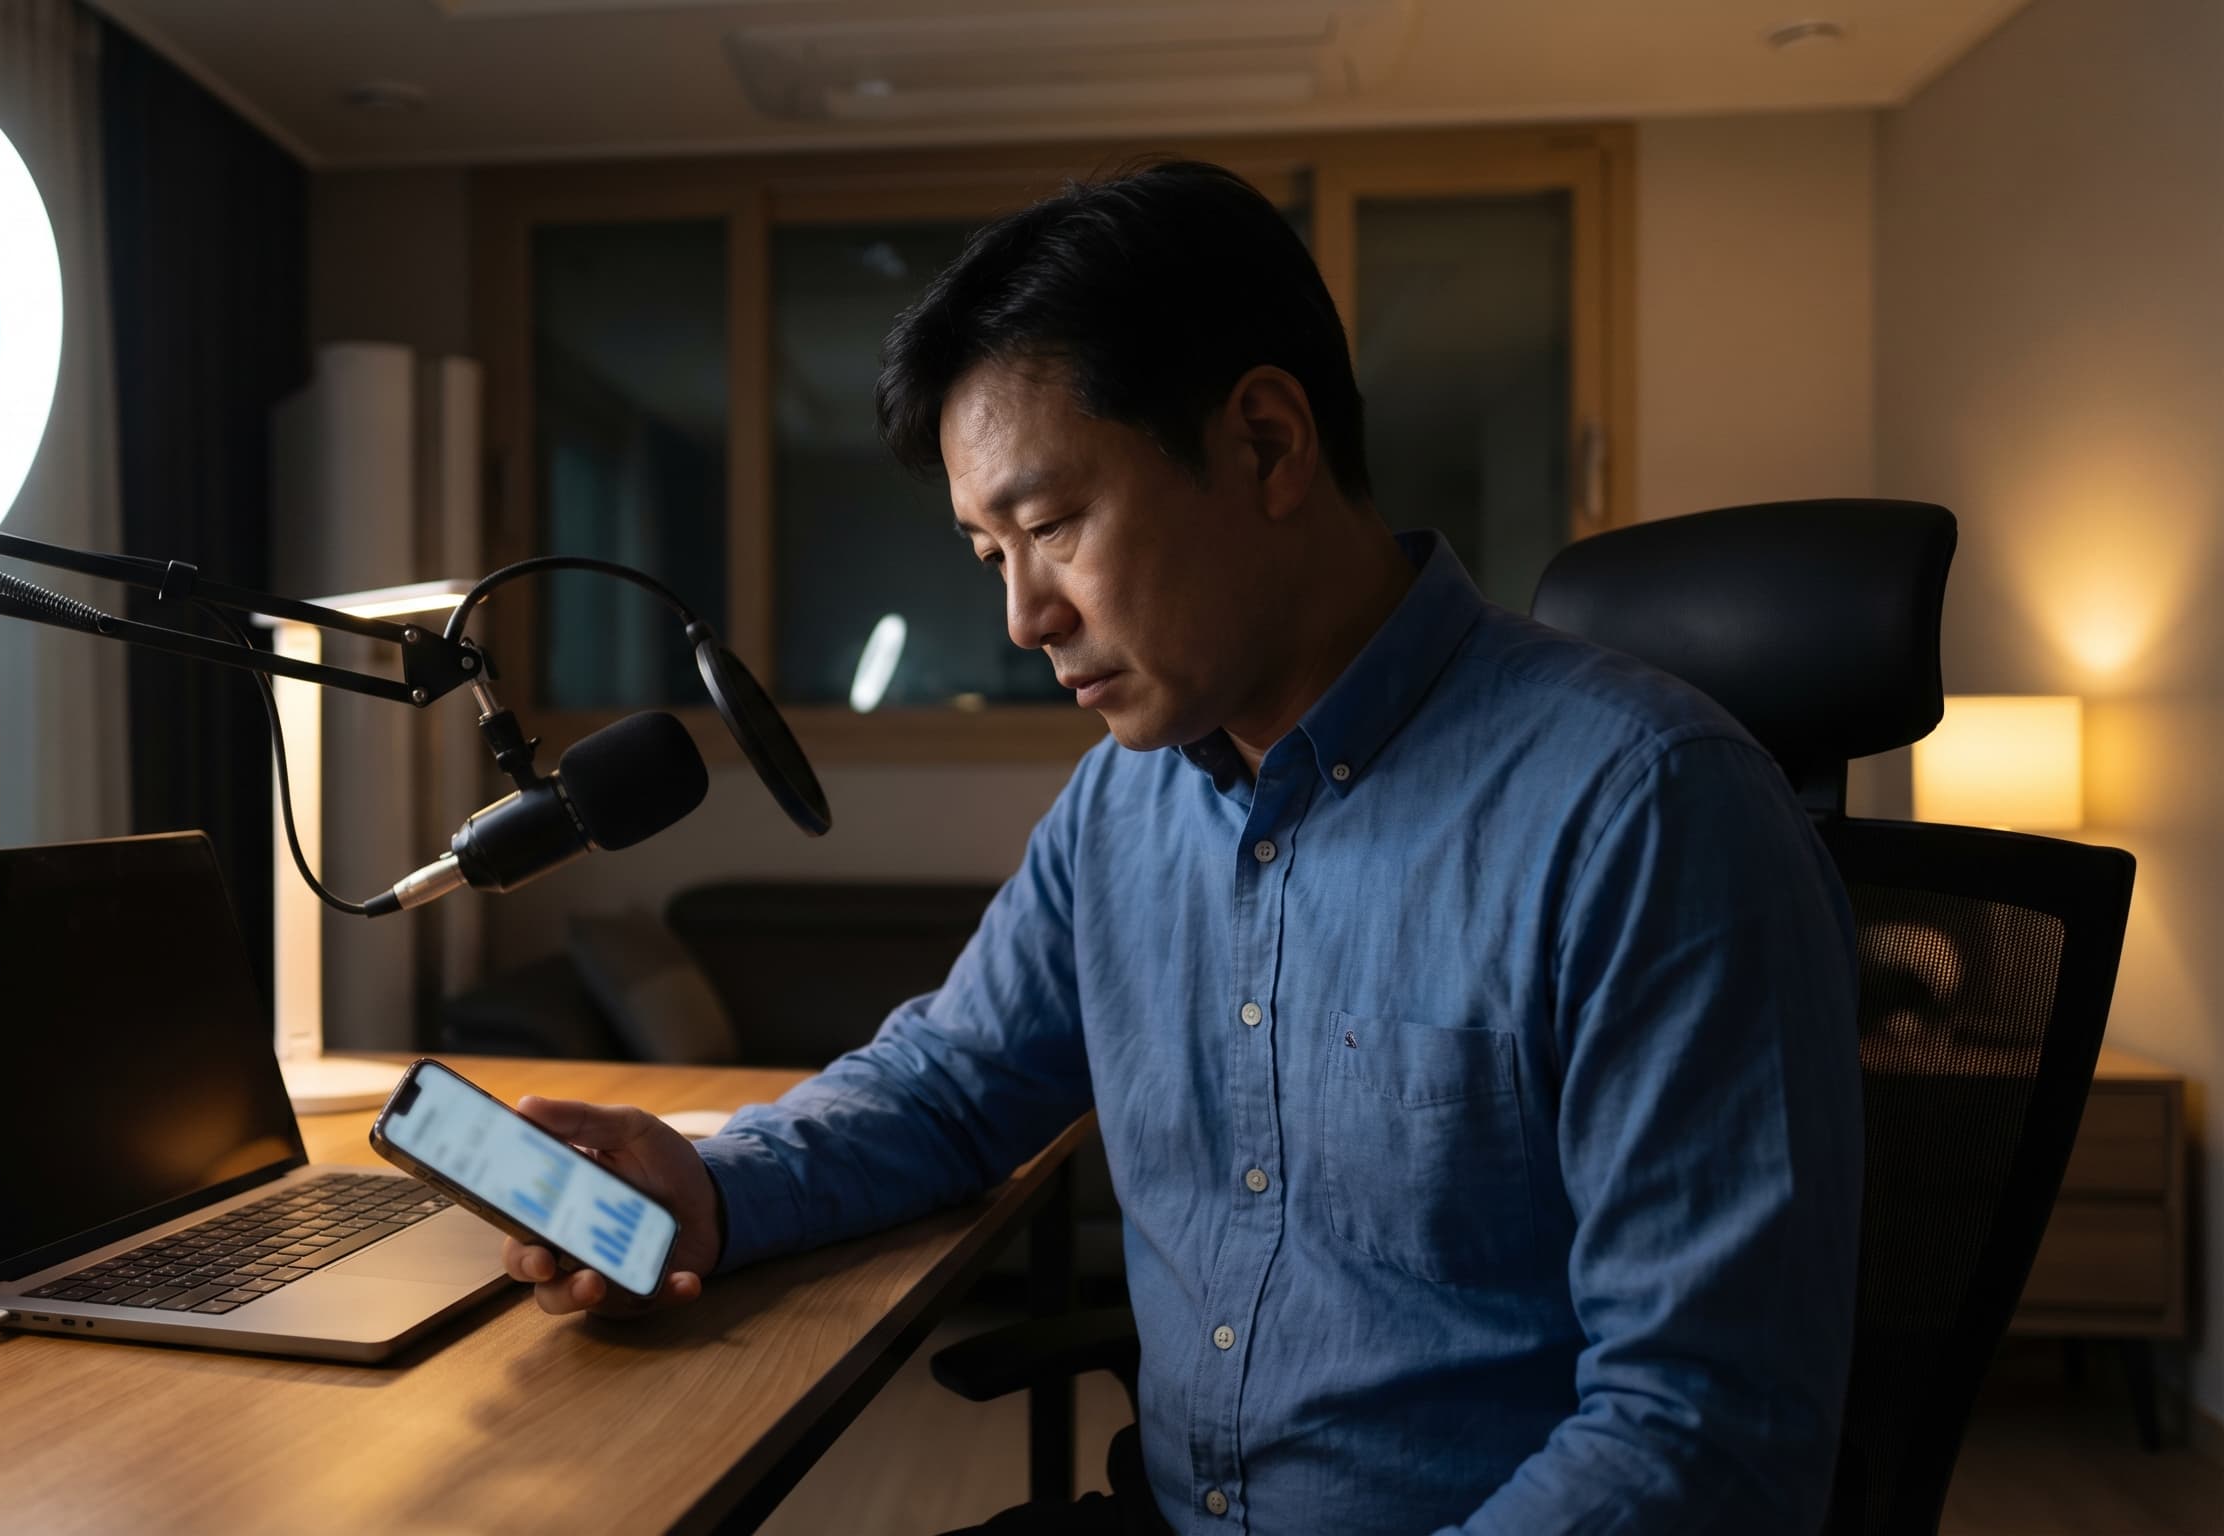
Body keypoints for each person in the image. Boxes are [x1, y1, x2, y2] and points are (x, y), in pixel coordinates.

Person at [499, 160, 1862, 1535]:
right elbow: (952, 1085)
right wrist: (712, 1185)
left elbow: (1703, 1435)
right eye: (989, 555)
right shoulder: (1122, 805)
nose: (1023, 616)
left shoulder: (1647, 811)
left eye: (1050, 527)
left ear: (1267, 444)